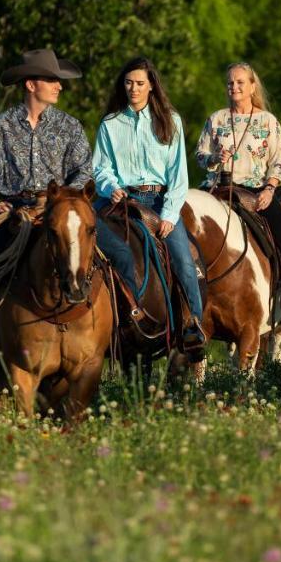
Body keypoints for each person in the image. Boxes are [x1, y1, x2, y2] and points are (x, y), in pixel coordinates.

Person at [0, 49, 141, 361]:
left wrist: (65, 201)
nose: (59, 86)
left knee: (120, 252)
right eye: (52, 80)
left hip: (64, 208)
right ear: (31, 85)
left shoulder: (69, 126)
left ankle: (125, 329)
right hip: (17, 212)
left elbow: (86, 169)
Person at [93, 57, 207, 361]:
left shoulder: (170, 120)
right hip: (118, 200)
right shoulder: (110, 123)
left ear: (151, 85)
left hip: (158, 202)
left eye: (140, 83)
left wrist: (170, 216)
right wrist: (110, 186)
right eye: (128, 83)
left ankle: (192, 324)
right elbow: (101, 167)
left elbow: (178, 175)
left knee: (183, 259)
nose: (133, 88)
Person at [195, 62, 281, 313]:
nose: (234, 87)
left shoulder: (268, 121)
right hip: (216, 187)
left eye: (240, 82)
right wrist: (214, 158)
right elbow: (200, 154)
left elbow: (277, 162)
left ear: (252, 87)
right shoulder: (215, 119)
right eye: (230, 82)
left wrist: (269, 190)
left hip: (253, 190)